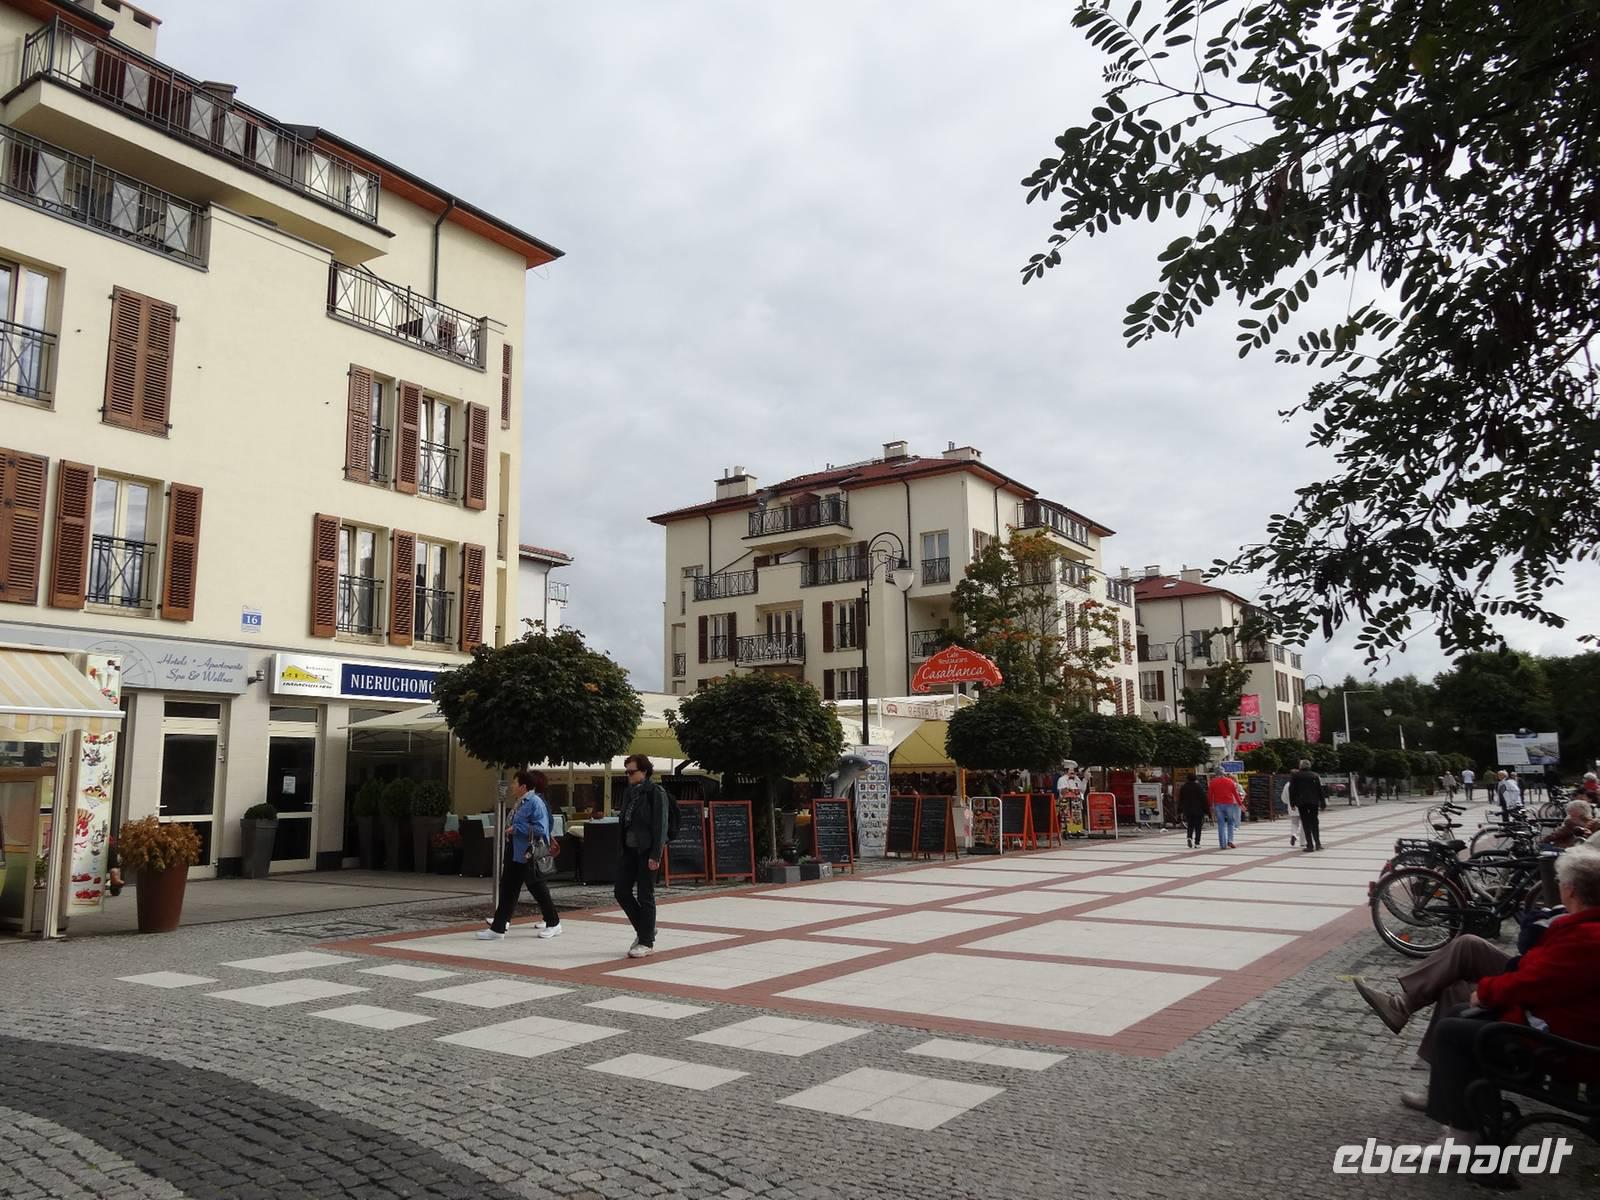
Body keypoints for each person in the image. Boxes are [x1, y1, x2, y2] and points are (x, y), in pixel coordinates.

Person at [1414, 846, 1600, 1143]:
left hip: (1568, 1046)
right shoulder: (1582, 929)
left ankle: (1463, 1137)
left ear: (1570, 890)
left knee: (1453, 1029)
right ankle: (1471, 1117)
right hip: (1569, 1026)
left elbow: (1533, 980)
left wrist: (1486, 992)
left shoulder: (1584, 937)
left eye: (1559, 883)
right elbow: (1538, 974)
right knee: (1459, 1011)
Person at [478, 769, 562, 941]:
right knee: (508, 888)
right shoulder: (521, 802)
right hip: (515, 852)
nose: (512, 786)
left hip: (528, 853)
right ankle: (498, 928)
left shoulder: (535, 802)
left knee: (537, 888)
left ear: (523, 786)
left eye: (515, 783)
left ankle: (553, 923)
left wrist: (517, 829)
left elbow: (541, 829)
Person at [616, 754, 669, 959]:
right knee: (621, 891)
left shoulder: (655, 792)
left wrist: (656, 854)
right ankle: (646, 929)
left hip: (647, 850)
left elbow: (660, 825)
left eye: (632, 772)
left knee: (645, 894)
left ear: (644, 772)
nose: (628, 775)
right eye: (626, 772)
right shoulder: (629, 792)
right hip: (629, 849)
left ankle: (646, 942)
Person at [1287, 759, 1325, 852]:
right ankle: (1318, 844)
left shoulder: (1296, 776)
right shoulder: (1315, 775)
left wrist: (1292, 803)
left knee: (1306, 823)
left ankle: (1310, 845)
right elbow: (1319, 790)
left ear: (1300, 766)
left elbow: (1292, 790)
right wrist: (1322, 802)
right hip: (1314, 802)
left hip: (1302, 802)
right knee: (1314, 822)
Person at [1206, 771, 1243, 849]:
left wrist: (1210, 805)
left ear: (1216, 775)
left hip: (1218, 805)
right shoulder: (1230, 781)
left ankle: (1223, 844)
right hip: (1229, 804)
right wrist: (1240, 804)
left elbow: (1210, 795)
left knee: (1221, 824)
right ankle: (1230, 840)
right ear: (1224, 774)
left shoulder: (1213, 782)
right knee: (1230, 823)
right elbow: (1235, 794)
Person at [1178, 774, 1208, 849]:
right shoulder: (1199, 787)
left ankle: (1189, 837)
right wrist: (1207, 810)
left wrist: (1179, 810)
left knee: (1190, 825)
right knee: (1198, 827)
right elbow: (1203, 799)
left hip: (1187, 810)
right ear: (1195, 779)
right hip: (1198, 810)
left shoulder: (1184, 787)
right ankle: (1197, 843)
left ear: (1187, 779)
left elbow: (1181, 799)